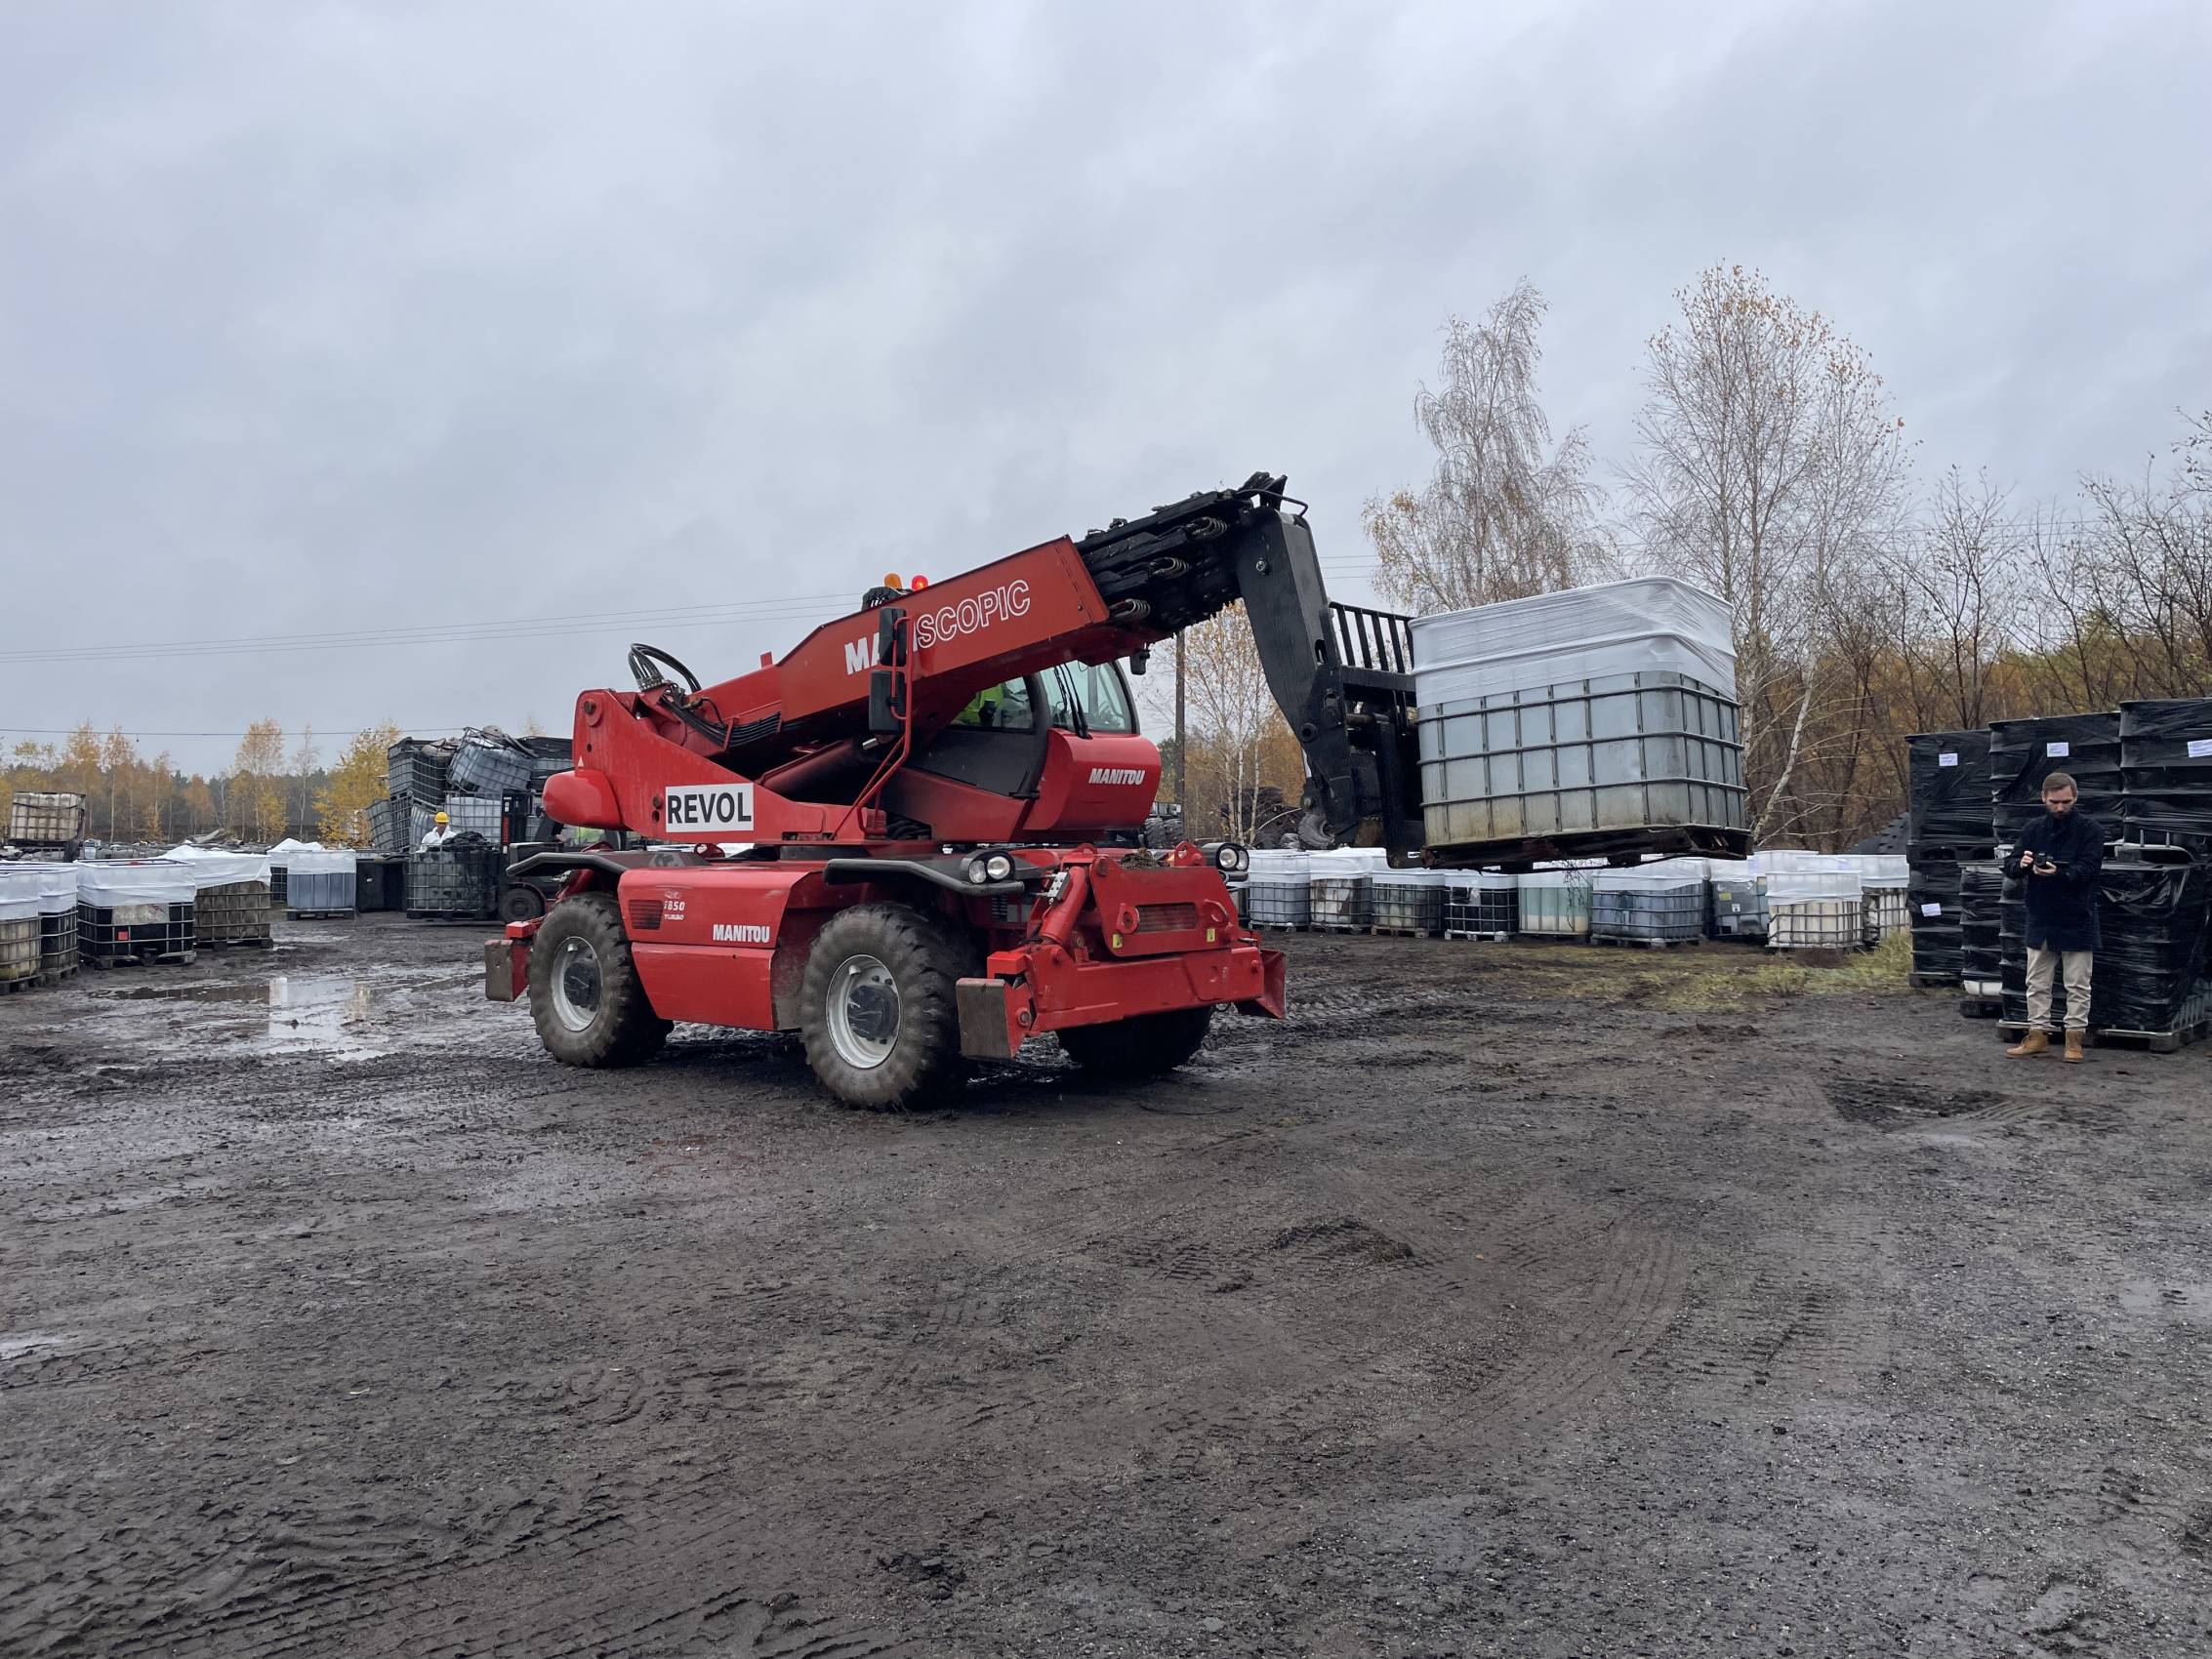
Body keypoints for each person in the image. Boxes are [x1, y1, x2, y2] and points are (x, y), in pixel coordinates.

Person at [2003, 772, 2105, 1062]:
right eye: (2055, 802)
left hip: (2077, 914)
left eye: (2066, 802)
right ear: (2043, 798)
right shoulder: (2033, 829)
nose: (2060, 807)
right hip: (2042, 914)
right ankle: (2037, 1035)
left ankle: (2074, 1040)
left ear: (2076, 798)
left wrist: (2059, 873)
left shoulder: (2090, 830)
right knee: (2036, 981)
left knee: (2078, 983)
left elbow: (2090, 869)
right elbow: (2009, 865)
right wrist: (2023, 865)